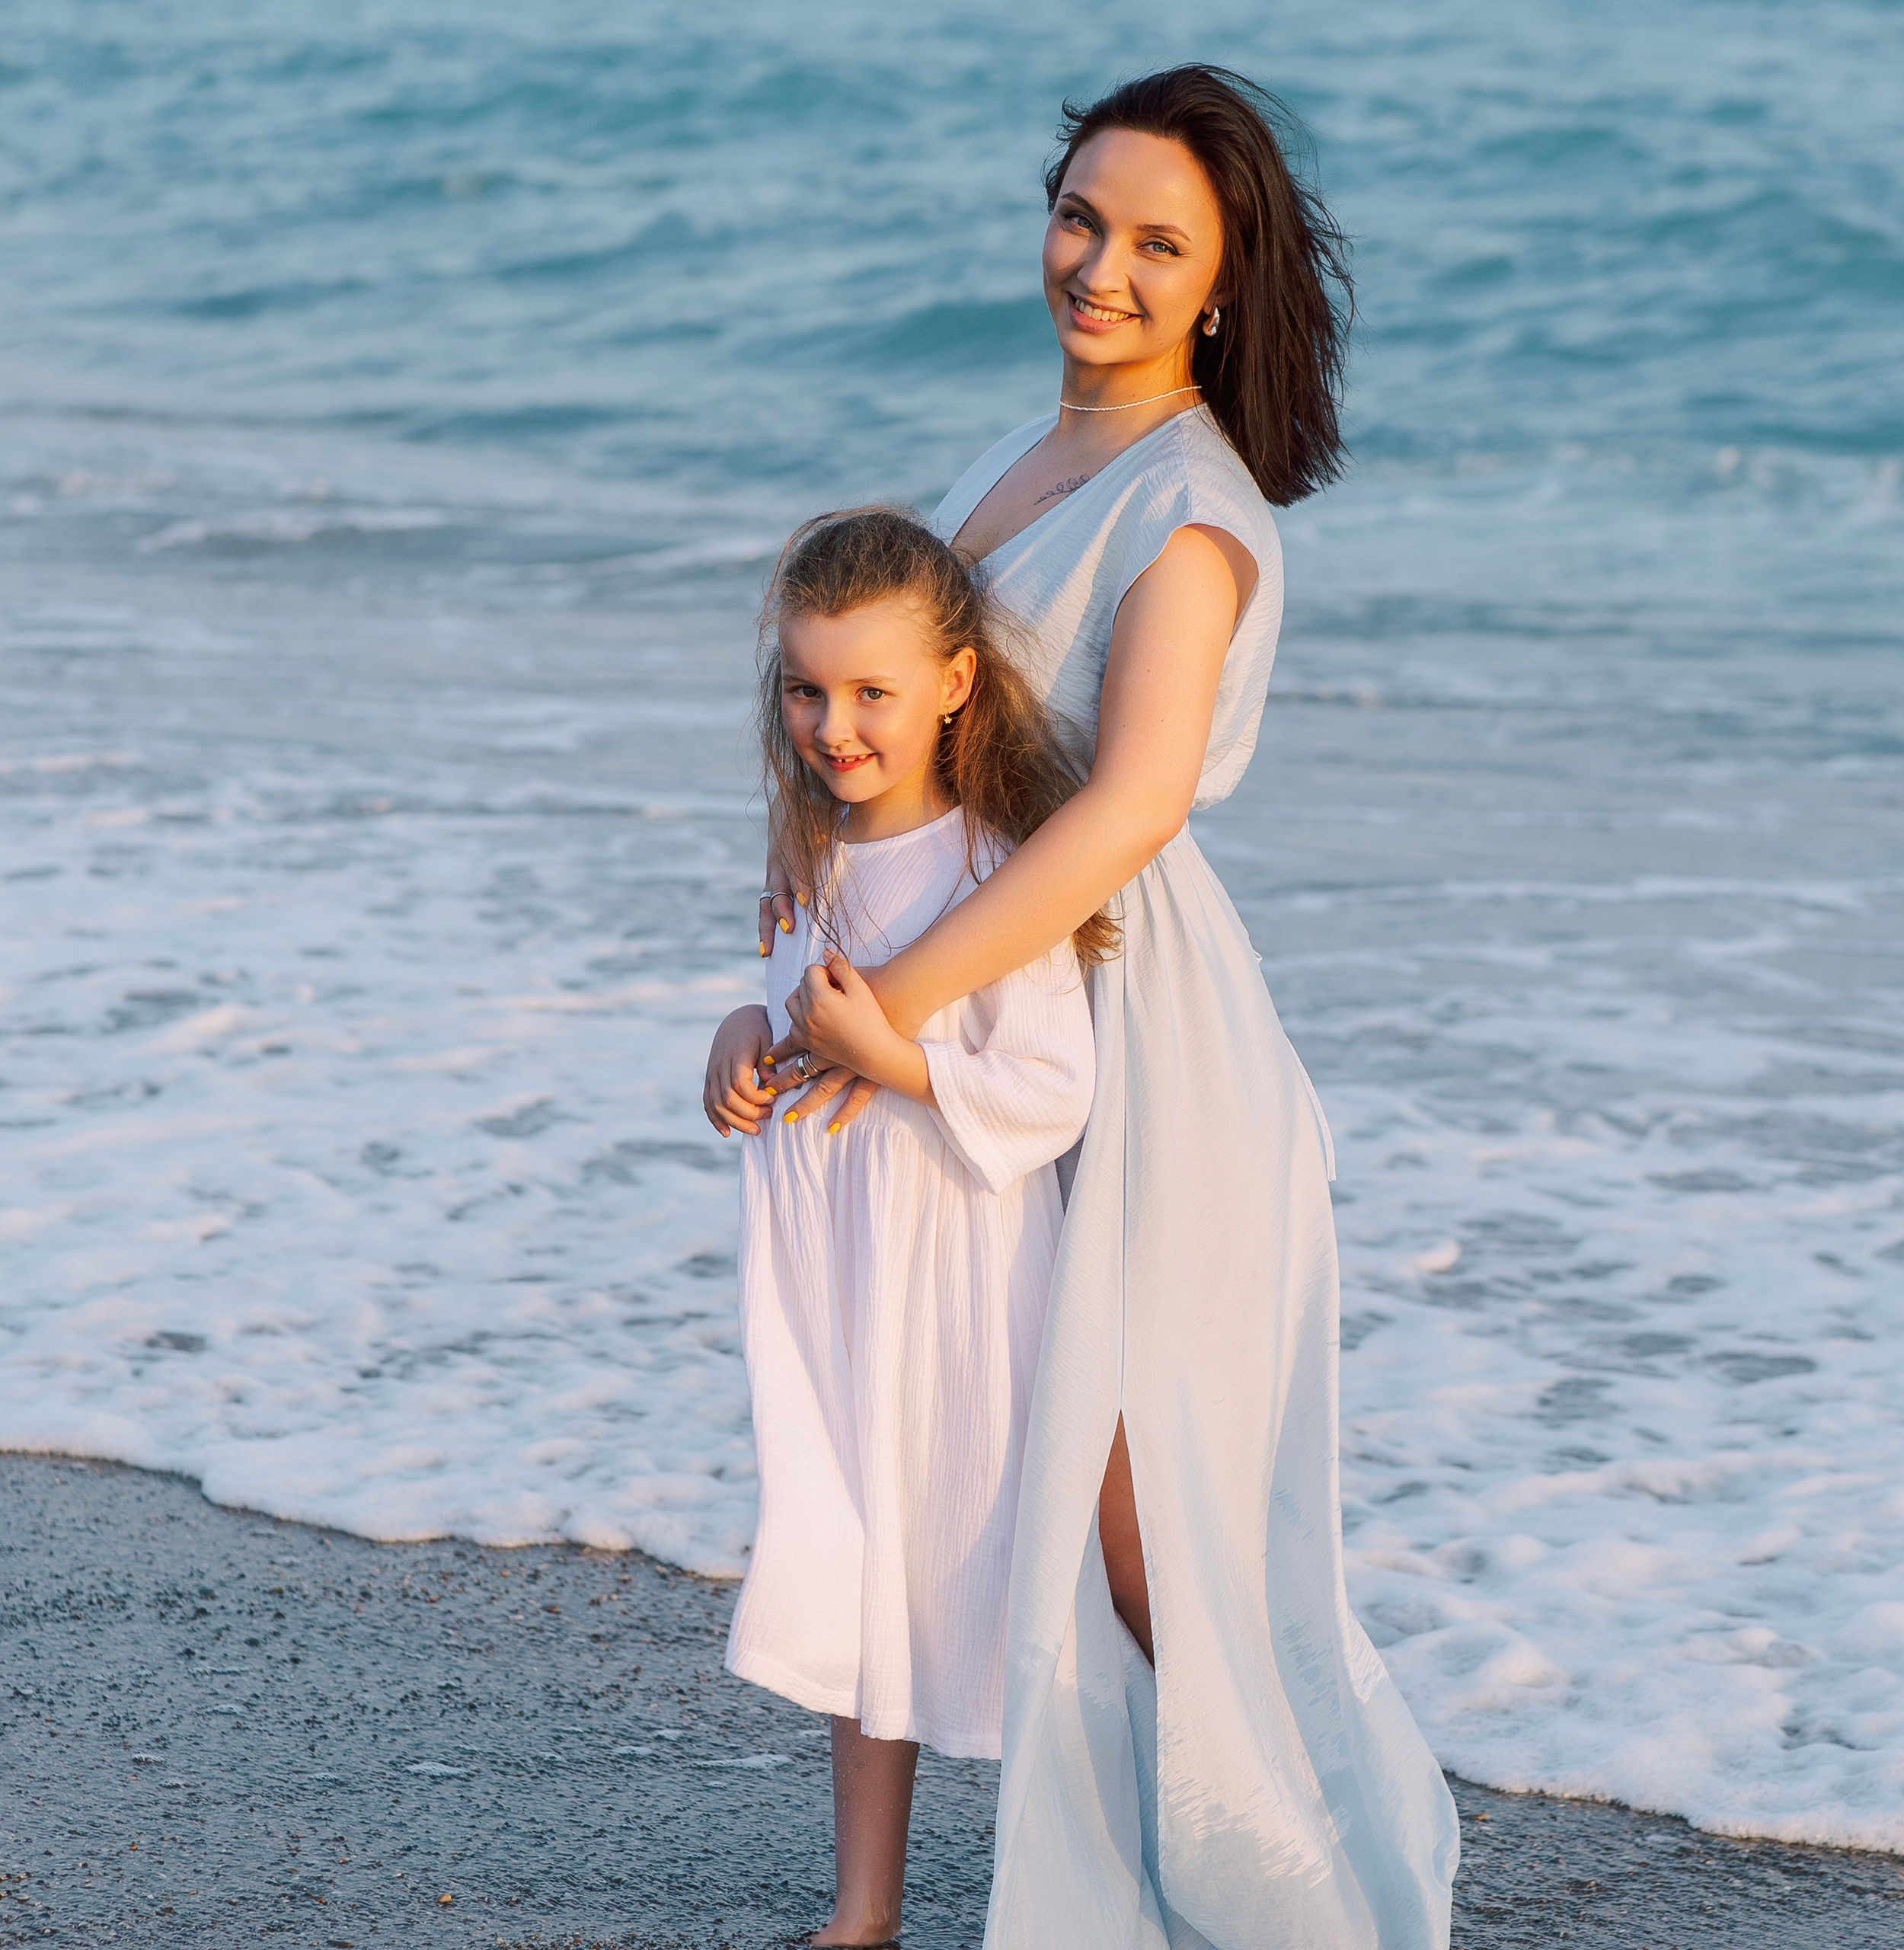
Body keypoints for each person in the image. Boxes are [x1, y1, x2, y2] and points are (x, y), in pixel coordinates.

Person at [721, 65, 1462, 1948]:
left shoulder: (1191, 512)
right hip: (986, 987)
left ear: (1220, 285)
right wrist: (830, 876)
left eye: (1155, 244)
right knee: (1034, 1480)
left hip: (1132, 1040)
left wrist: (887, 994)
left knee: (1147, 1536)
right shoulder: (1021, 454)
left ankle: (1290, 1909)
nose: (1099, 268)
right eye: (1080, 217)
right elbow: (918, 716)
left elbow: (1124, 808)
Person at [704, 507, 1111, 1946]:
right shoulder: (811, 842)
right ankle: (863, 1911)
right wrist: (740, 1031)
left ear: (953, 682)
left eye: (872, 692)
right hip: (833, 1279)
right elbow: (787, 991)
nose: (835, 725)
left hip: (958, 1279)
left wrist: (901, 1063)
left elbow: (1051, 1091)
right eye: (809, 691)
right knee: (860, 1579)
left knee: (986, 1580)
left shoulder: (999, 870)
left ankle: (1071, 1901)